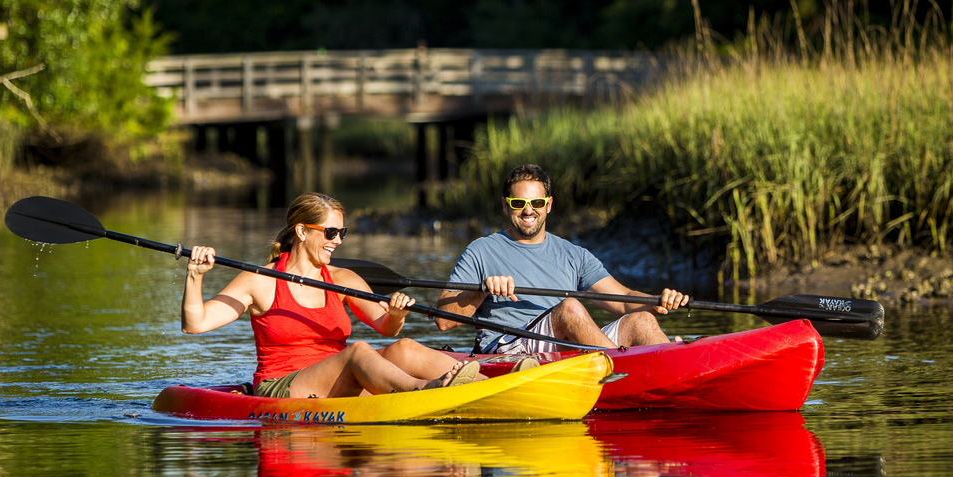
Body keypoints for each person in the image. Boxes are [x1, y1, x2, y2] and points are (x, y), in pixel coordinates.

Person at [182, 192, 479, 397]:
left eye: (342, 233)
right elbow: (195, 324)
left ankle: (495, 382)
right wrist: (195, 276)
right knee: (359, 351)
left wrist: (397, 314)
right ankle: (426, 391)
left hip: (337, 378)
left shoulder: (342, 279)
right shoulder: (261, 280)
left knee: (405, 347)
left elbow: (386, 327)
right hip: (282, 386)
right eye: (330, 233)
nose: (337, 241)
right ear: (301, 231)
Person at [435, 164, 689, 354]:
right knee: (570, 308)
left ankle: (676, 368)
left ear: (548, 204)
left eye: (536, 202)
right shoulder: (481, 250)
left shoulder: (573, 254)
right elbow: (443, 321)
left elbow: (623, 301)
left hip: (562, 346)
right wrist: (482, 290)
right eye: (518, 202)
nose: (527, 210)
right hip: (508, 350)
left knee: (642, 321)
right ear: (505, 205)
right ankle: (622, 369)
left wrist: (659, 301)